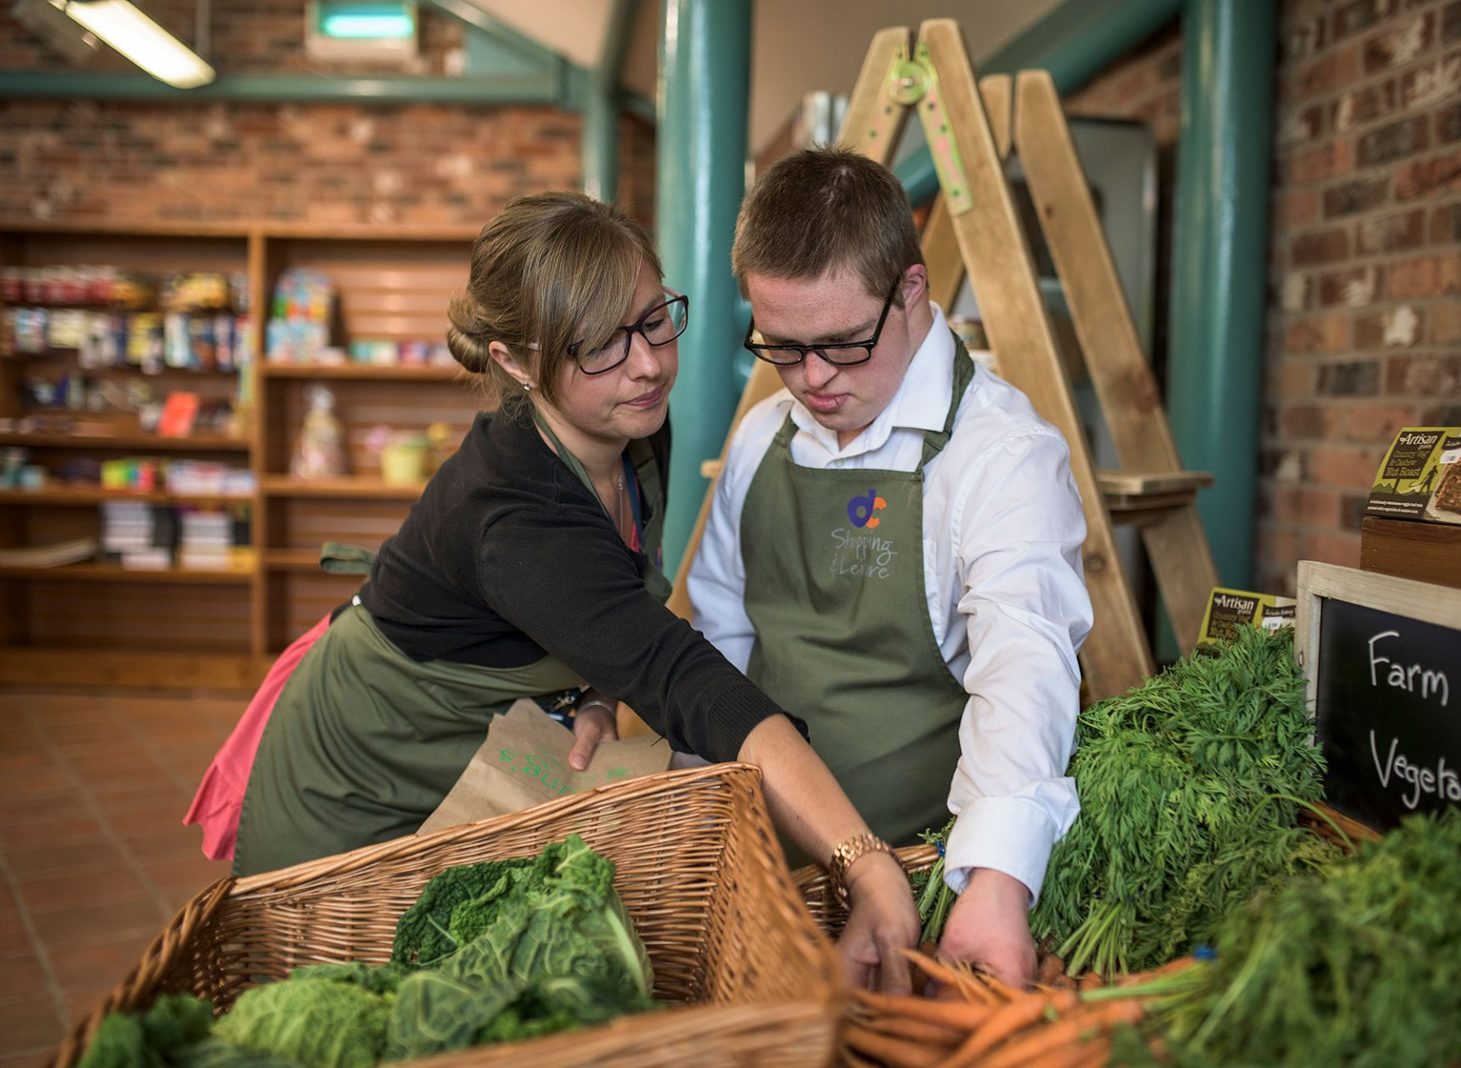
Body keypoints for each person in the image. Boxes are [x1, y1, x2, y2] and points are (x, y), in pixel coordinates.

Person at [189, 192, 923, 992]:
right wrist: (865, 862)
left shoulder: (631, 422)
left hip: (477, 739)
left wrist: (598, 688)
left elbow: (616, 613)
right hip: (361, 770)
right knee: (352, 998)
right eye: (598, 346)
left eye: (652, 319)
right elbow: (683, 676)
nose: (647, 363)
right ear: (512, 360)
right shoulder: (516, 519)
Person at [687, 148, 1093, 988]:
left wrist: (995, 882)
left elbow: (1024, 670)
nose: (812, 379)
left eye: (841, 343)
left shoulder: (1002, 456)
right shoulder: (761, 437)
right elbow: (720, 639)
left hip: (920, 884)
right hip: (759, 877)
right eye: (783, 348)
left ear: (911, 291)